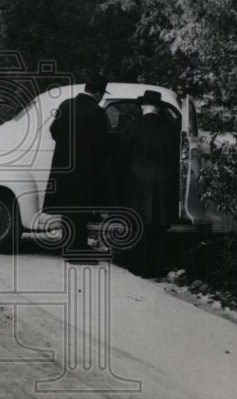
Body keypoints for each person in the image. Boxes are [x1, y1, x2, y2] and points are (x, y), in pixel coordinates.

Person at [42, 72, 111, 252]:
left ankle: (69, 246)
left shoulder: (65, 105)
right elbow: (102, 143)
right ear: (98, 94)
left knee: (68, 210)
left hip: (64, 167)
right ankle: (77, 249)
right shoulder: (97, 112)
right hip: (85, 170)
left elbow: (54, 131)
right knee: (81, 210)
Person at [115, 89, 181, 276]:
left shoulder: (131, 126)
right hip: (163, 180)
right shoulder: (170, 129)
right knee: (160, 225)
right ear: (158, 108)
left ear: (142, 106)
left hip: (136, 180)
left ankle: (139, 265)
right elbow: (176, 157)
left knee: (139, 224)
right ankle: (157, 266)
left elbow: (122, 156)